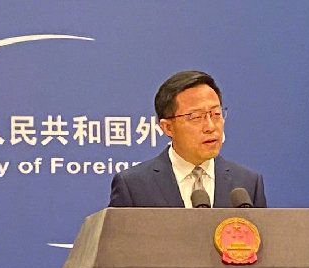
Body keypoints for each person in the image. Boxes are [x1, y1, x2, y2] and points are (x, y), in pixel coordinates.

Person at [109, 70, 266, 208]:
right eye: (196, 117)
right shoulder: (133, 186)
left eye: (216, 114)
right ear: (168, 127)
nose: (210, 126)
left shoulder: (248, 184)